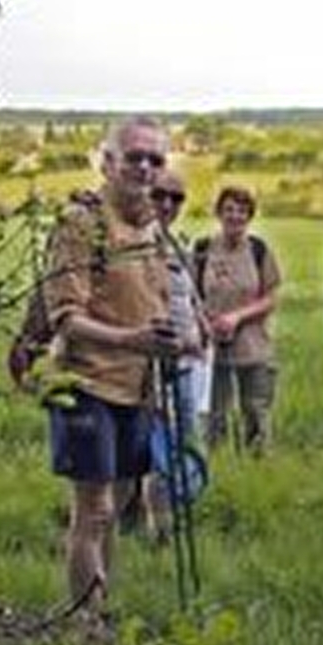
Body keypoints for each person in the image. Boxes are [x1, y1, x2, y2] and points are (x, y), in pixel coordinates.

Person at [41, 116, 175, 612]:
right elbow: (65, 317)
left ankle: (100, 611)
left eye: (155, 159)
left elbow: (155, 301)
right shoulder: (82, 223)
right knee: (93, 511)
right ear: (109, 161)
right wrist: (133, 339)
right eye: (135, 157)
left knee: (116, 507)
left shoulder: (152, 226)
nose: (144, 167)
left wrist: (171, 342)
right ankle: (86, 630)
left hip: (136, 387)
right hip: (85, 382)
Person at [131, 169, 210, 541]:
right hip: (151, 366)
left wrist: (201, 324)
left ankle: (163, 524)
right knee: (158, 454)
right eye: (159, 195)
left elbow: (186, 296)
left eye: (176, 198)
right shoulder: (132, 242)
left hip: (184, 365)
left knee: (179, 448)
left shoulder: (177, 242)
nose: (167, 204)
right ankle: (157, 531)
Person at [196, 185, 281, 454]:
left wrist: (236, 318)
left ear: (249, 217)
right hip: (212, 346)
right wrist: (207, 323)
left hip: (253, 346)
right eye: (229, 210)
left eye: (242, 211)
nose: (235, 216)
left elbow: (271, 297)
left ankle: (258, 469)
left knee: (256, 411)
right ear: (219, 213)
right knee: (214, 415)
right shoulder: (202, 249)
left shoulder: (258, 250)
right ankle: (216, 468)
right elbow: (190, 295)